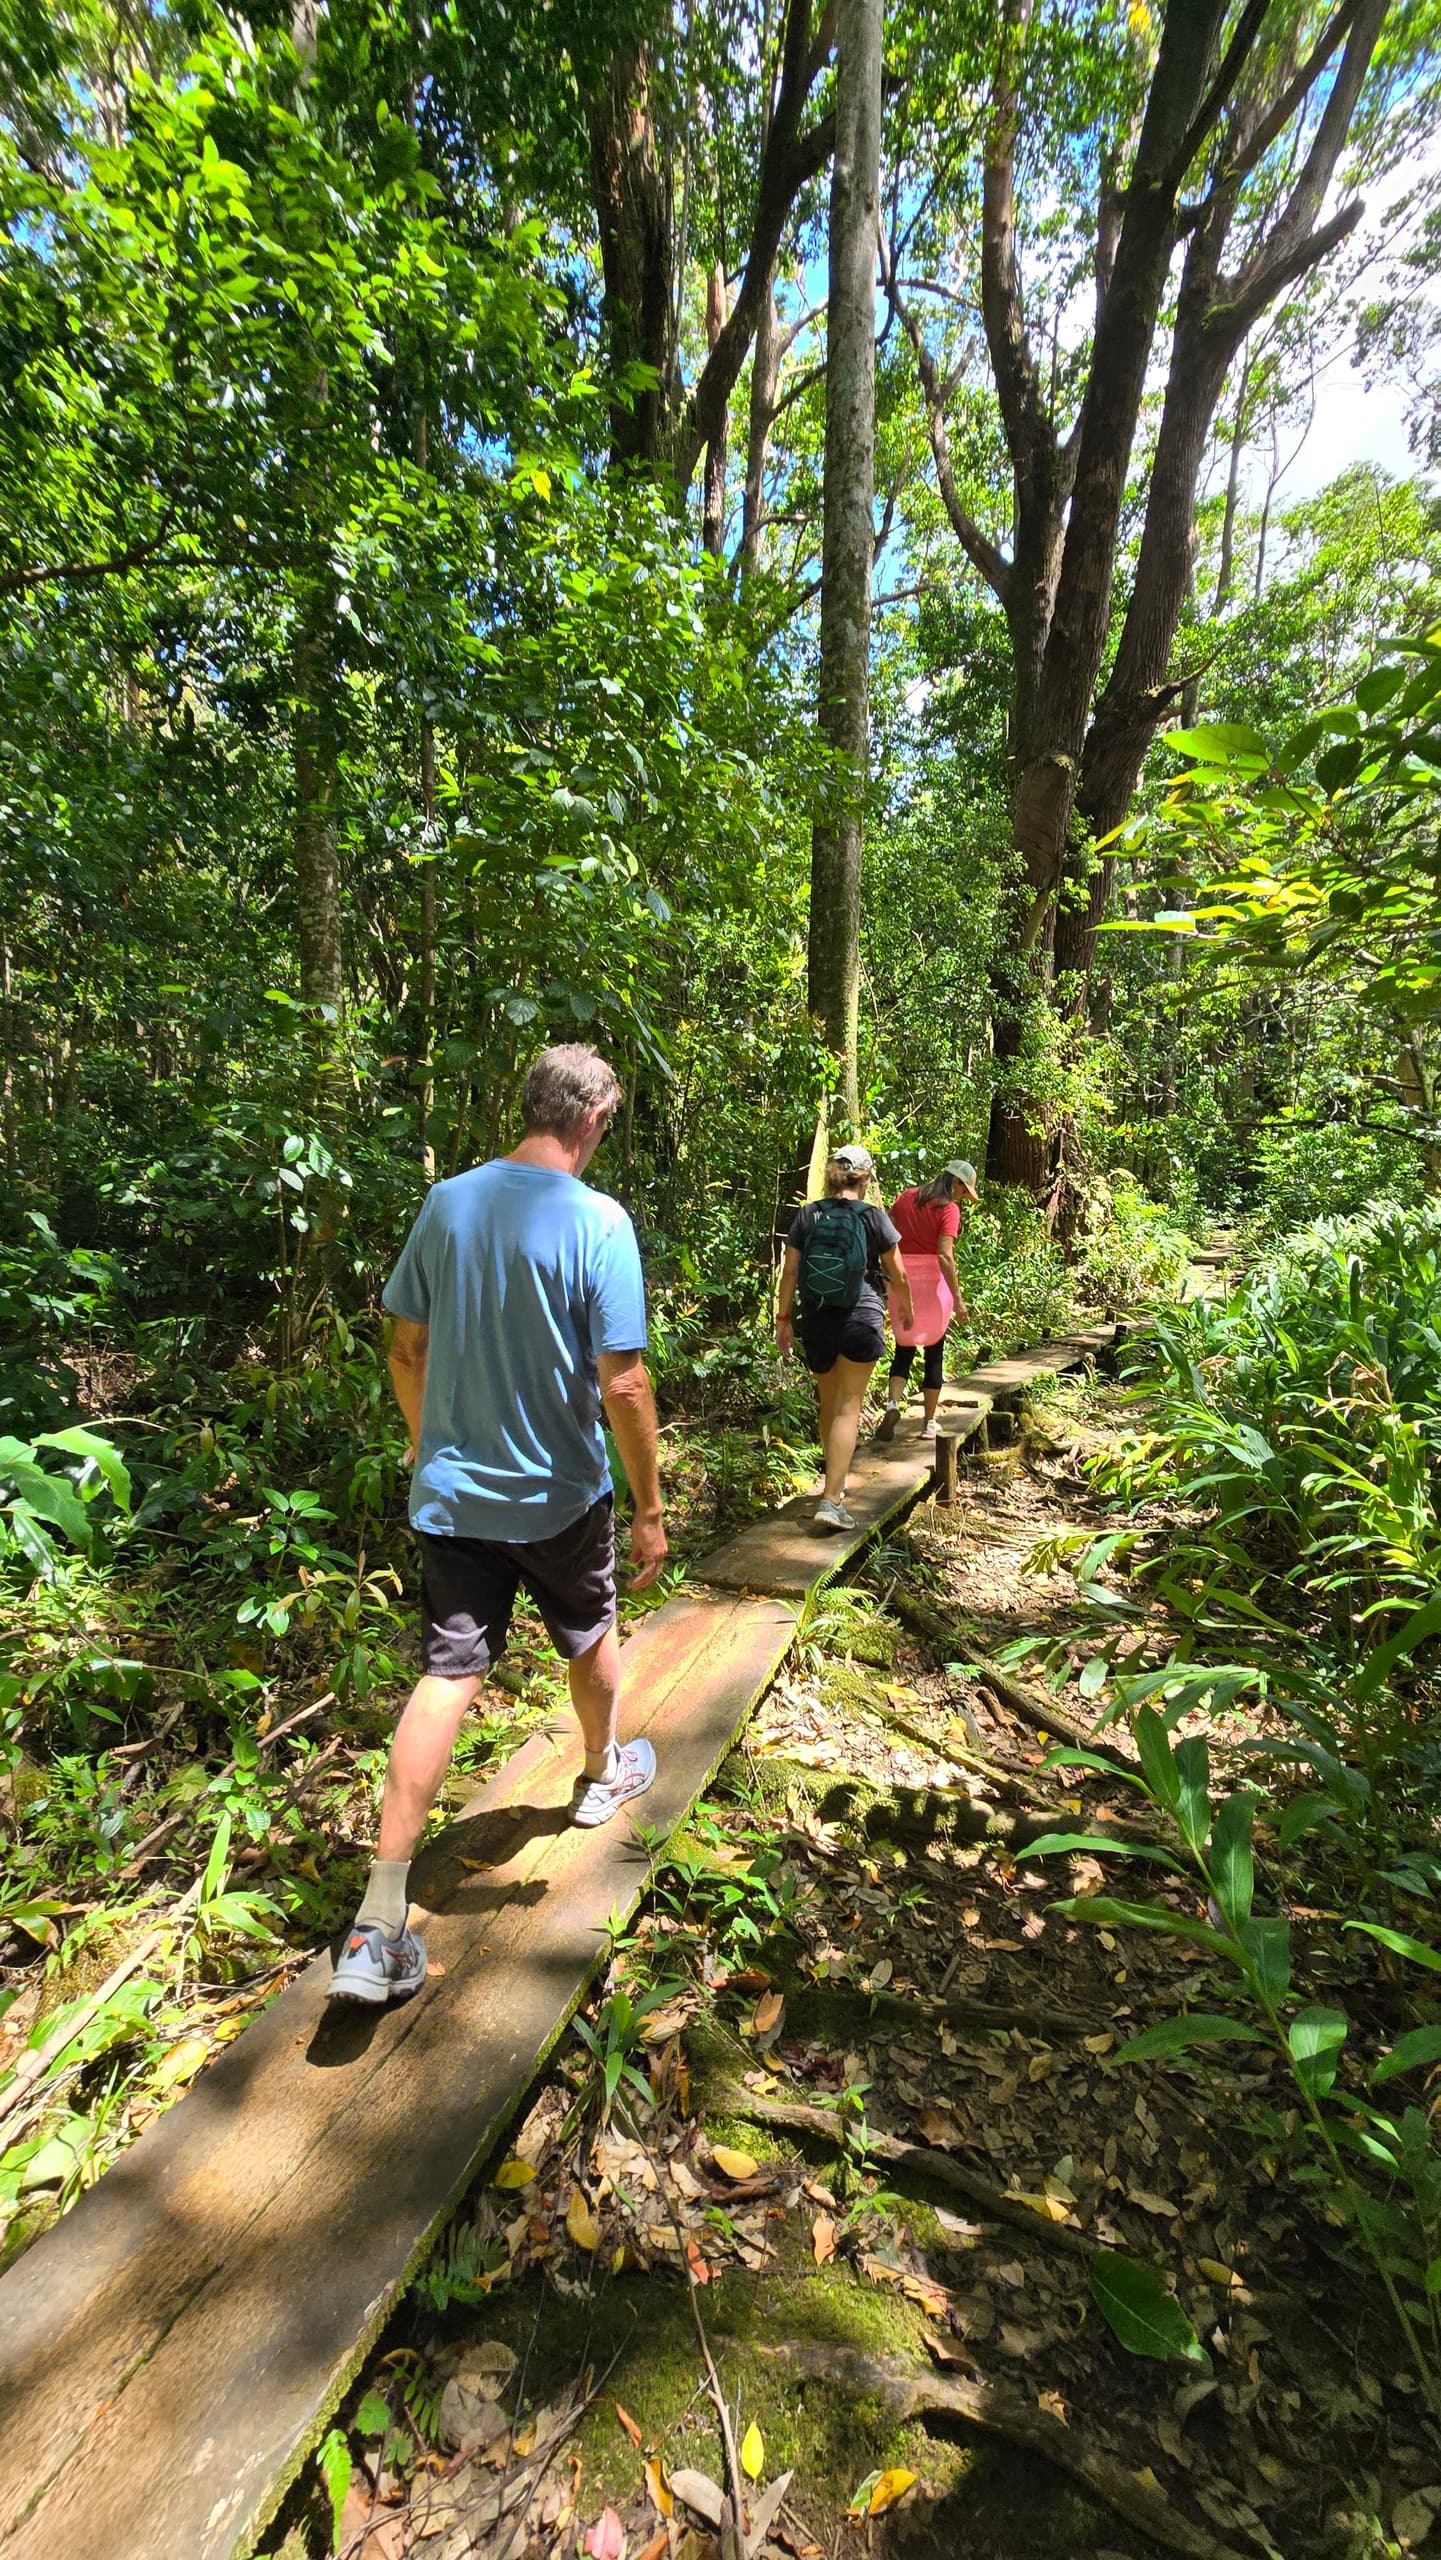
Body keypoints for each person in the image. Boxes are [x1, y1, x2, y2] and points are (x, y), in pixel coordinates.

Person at [329, 1044, 668, 2005]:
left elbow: (406, 1348)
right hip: (560, 1495)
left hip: (452, 1498)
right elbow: (624, 1384)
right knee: (588, 1630)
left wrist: (424, 1440)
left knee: (448, 1674)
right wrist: (649, 1507)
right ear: (591, 1118)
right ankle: (600, 1774)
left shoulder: (448, 1203)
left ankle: (377, 1923)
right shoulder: (598, 1220)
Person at [776, 1144, 914, 1532]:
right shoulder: (873, 1217)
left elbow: (790, 1273)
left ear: (832, 1175)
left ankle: (832, 1484)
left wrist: (783, 1319)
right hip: (860, 1315)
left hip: (816, 1317)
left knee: (829, 1403)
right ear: (865, 1178)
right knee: (848, 1408)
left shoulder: (808, 1214)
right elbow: (899, 1273)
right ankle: (832, 1499)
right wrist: (905, 1307)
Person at [875, 1161, 978, 1442]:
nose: (963, 1198)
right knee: (935, 1349)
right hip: (932, 1284)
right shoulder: (948, 1209)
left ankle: (892, 1404)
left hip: (901, 1280)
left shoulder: (905, 1198)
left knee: (904, 1346)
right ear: (956, 1183)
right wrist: (958, 1300)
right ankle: (929, 1422)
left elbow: (887, 1240)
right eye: (964, 1192)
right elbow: (944, 1255)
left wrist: (887, 1277)